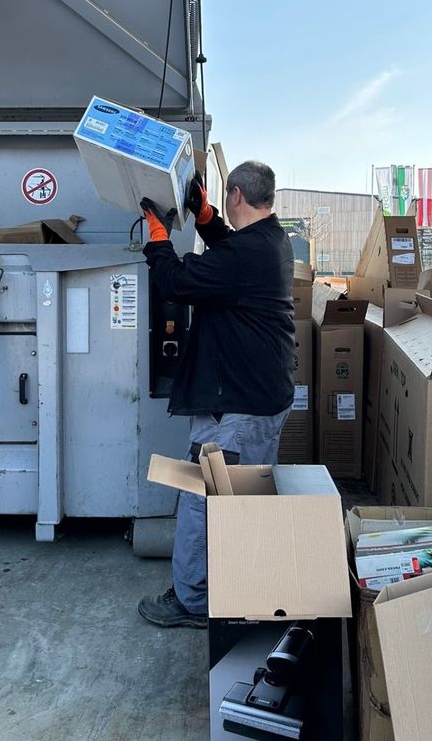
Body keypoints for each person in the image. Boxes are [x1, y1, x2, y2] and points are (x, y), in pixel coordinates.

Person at [137, 160, 295, 628]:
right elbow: (232, 246)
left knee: (201, 499)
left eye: (224, 200)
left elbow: (177, 283)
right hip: (254, 398)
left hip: (239, 408)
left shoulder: (246, 256)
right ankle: (234, 584)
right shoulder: (273, 241)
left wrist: (159, 238)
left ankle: (195, 602)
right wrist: (204, 217)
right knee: (233, 500)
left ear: (238, 196)